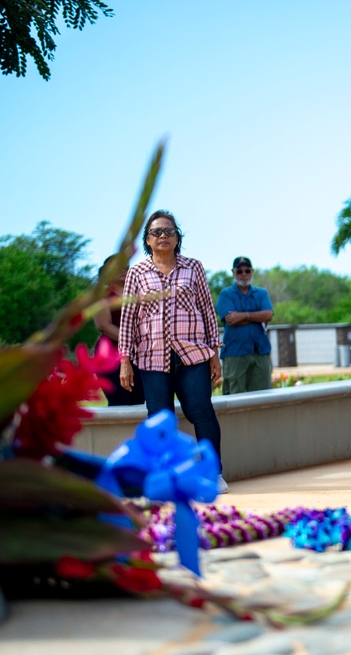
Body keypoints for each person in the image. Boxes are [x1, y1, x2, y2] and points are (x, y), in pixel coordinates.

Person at [118, 210, 228, 493]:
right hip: (152, 357)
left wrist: (214, 354)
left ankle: (212, 473)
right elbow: (129, 316)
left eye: (169, 231)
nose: (163, 236)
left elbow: (206, 309)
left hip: (193, 353)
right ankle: (165, 478)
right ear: (148, 240)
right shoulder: (137, 273)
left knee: (201, 412)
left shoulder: (193, 267)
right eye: (156, 232)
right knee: (159, 419)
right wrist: (125, 361)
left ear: (178, 237)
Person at [215, 256, 274, 394]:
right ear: (233, 272)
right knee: (235, 397)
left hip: (260, 351)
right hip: (235, 353)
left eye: (247, 270)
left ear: (252, 271)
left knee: (263, 397)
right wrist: (257, 317)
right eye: (239, 271)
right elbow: (231, 320)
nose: (243, 274)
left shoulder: (261, 293)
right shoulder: (226, 294)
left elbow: (268, 315)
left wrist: (243, 316)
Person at [93, 255, 146, 406]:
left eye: (126, 265)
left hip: (140, 354)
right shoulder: (100, 296)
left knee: (139, 401)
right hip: (110, 355)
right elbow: (103, 325)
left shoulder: (140, 293)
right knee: (119, 401)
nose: (123, 269)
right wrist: (133, 341)